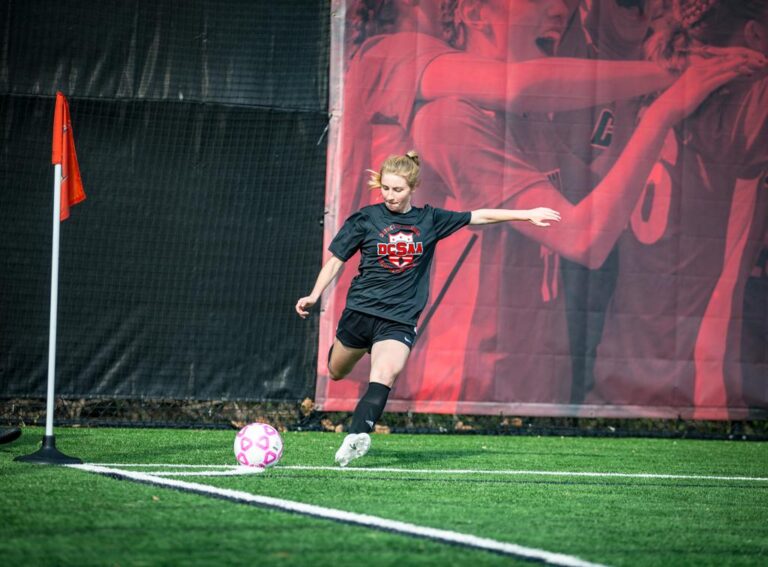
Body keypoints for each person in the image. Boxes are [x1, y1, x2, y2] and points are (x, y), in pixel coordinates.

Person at [407, 0, 763, 408]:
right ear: (476, 14)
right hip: (466, 388)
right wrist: (663, 111)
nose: (556, 10)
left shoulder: (532, 119)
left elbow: (609, 197)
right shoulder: (450, 119)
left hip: (537, 381)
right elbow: (584, 239)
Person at [296, 151, 561, 466]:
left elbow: (480, 216)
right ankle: (345, 367)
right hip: (360, 313)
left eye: (398, 190)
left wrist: (525, 213)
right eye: (386, 188)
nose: (391, 196)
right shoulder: (366, 219)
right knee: (337, 372)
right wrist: (314, 295)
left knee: (385, 373)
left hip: (399, 319)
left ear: (412, 188)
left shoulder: (430, 219)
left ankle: (355, 437)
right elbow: (336, 260)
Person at [590, 0, 768, 417]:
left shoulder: (645, 91)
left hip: (619, 371)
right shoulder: (753, 95)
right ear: (755, 35)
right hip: (699, 390)